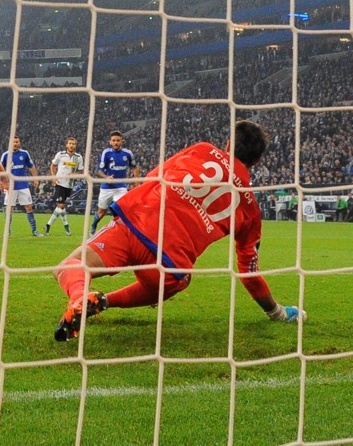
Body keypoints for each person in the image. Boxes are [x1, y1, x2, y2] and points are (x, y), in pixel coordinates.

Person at [52, 120, 306, 342]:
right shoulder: (250, 209)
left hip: (135, 222)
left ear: (227, 144)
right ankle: (104, 301)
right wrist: (278, 311)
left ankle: (78, 298)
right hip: (171, 262)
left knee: (70, 266)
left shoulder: (203, 149)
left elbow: (156, 175)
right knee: (178, 281)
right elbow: (249, 274)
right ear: (257, 160)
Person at [89, 131, 139, 235]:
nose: (116, 142)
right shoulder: (106, 153)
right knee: (101, 213)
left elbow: (135, 167)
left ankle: (119, 233)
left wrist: (136, 181)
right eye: (114, 141)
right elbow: (99, 171)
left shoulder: (128, 153)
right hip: (106, 188)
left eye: (118, 140)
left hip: (121, 188)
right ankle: (94, 224)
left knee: (120, 210)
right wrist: (106, 177)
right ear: (110, 142)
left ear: (122, 141)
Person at [1, 137, 43, 237]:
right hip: (11, 186)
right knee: (9, 208)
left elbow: (31, 167)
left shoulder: (24, 154)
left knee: (28, 207)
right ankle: (7, 231)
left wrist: (36, 178)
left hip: (23, 185)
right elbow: (0, 169)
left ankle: (34, 230)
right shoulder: (6, 155)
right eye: (13, 142)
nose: (15, 144)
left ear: (19, 143)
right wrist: (3, 182)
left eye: (17, 142)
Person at [45, 137, 84, 236]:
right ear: (66, 145)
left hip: (70, 185)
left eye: (73, 144)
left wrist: (74, 174)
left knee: (61, 207)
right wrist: (54, 177)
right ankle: (65, 227)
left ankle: (49, 225)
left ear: (76, 145)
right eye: (70, 143)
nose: (71, 145)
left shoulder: (78, 157)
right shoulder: (60, 155)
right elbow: (52, 166)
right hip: (59, 183)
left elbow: (81, 171)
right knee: (61, 205)